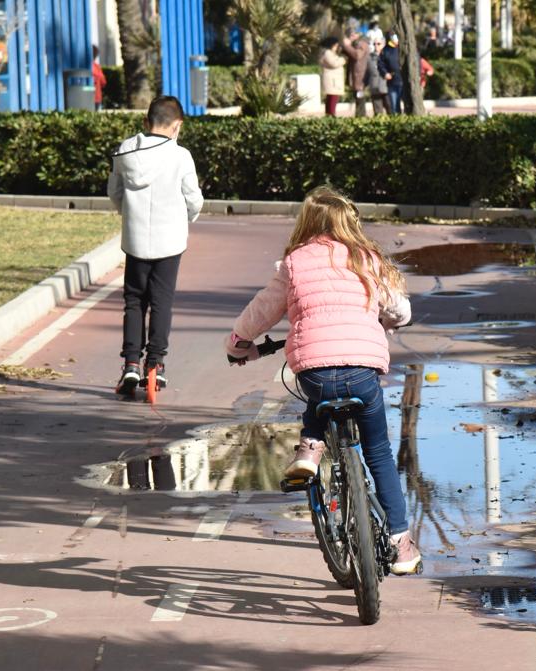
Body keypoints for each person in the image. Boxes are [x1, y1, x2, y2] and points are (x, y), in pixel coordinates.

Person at [223, 186, 422, 576]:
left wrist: (237, 344)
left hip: (314, 371)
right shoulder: (366, 259)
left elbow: (261, 311)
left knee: (319, 390)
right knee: (378, 452)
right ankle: (400, 543)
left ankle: (310, 449)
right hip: (363, 372)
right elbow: (399, 310)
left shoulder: (294, 263)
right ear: (350, 223)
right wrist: (390, 320)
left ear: (306, 223)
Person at [108, 96, 204, 395]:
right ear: (177, 125)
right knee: (162, 301)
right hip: (170, 240)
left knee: (134, 300)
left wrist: (128, 214)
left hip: (135, 238)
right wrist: (187, 217)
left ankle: (130, 364)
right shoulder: (181, 156)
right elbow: (193, 198)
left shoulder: (125, 150)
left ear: (145, 122)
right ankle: (156, 365)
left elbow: (114, 192)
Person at [341, 27, 370, 117]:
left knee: (360, 99)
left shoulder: (362, 44)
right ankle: (359, 116)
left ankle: (361, 116)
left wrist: (347, 46)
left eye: (352, 35)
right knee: (357, 98)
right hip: (356, 76)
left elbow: (357, 55)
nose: (351, 37)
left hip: (360, 77)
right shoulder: (355, 44)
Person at [318, 37, 346, 117]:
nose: (336, 47)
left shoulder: (330, 53)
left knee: (332, 98)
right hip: (332, 80)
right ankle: (331, 114)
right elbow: (334, 63)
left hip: (334, 79)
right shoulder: (327, 53)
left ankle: (330, 114)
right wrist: (343, 59)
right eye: (336, 46)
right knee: (332, 98)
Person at [378, 33, 403, 115]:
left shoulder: (403, 48)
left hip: (404, 81)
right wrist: (385, 73)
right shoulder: (386, 50)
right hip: (392, 82)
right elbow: (380, 64)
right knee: (394, 105)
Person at [365, 37, 390, 115]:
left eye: (378, 44)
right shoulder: (369, 57)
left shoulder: (388, 55)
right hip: (374, 87)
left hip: (387, 87)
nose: (376, 46)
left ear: (384, 45)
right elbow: (366, 72)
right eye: (374, 44)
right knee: (378, 112)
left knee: (390, 109)